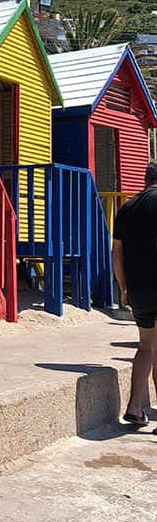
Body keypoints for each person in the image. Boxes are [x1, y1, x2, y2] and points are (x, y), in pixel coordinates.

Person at [113, 161, 157, 430]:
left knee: (146, 346)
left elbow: (116, 251)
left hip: (139, 288)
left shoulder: (127, 208)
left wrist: (123, 287)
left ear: (145, 179)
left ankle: (134, 407)